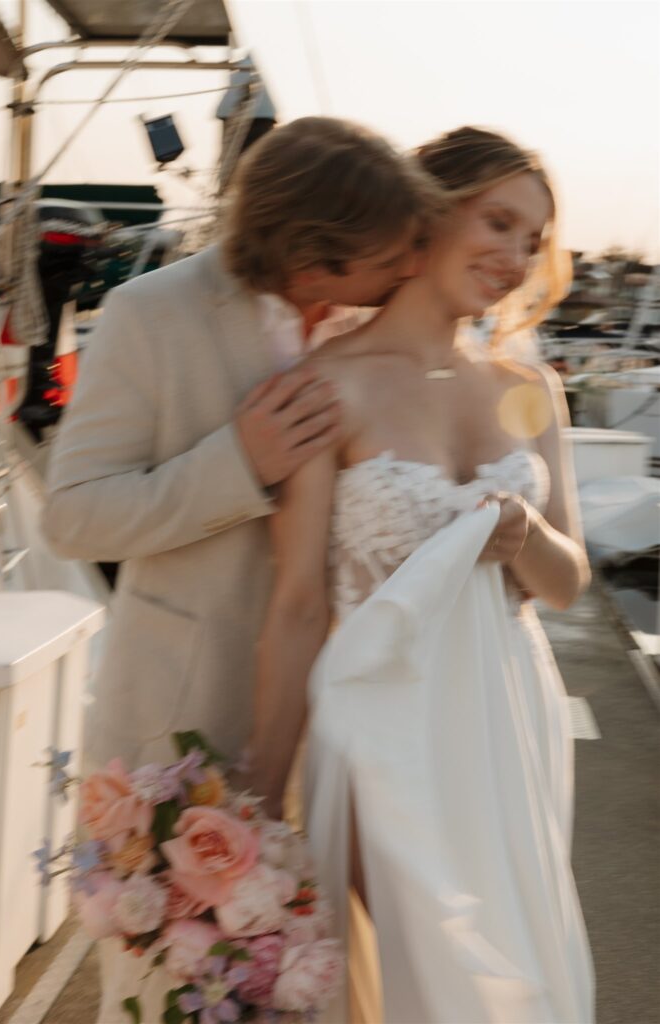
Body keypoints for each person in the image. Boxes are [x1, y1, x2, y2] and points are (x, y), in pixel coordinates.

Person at [243, 127, 595, 1023]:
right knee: (426, 983)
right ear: (429, 213)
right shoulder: (327, 385)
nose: (515, 257)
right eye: (499, 222)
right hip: (378, 734)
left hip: (505, 730)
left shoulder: (529, 387)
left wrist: (519, 534)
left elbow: (567, 583)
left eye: (532, 240)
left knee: (518, 989)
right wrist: (258, 812)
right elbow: (295, 608)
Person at [42, 116, 435, 780]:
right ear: (313, 265)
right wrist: (238, 467)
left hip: (347, 732)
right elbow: (73, 517)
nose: (412, 267)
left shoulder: (382, 327)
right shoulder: (149, 313)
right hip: (182, 725)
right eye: (391, 260)